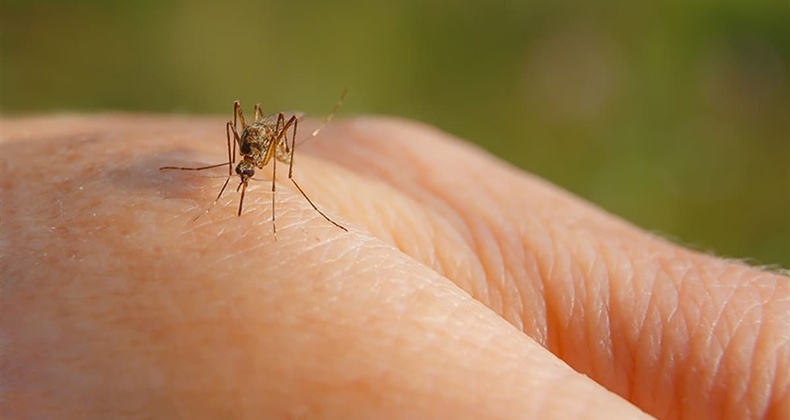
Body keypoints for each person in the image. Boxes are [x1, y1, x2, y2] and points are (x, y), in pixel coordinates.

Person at [2, 114, 787, 419]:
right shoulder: (235, 158)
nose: (244, 167)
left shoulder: (271, 152)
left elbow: (277, 143)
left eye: (248, 161)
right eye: (245, 161)